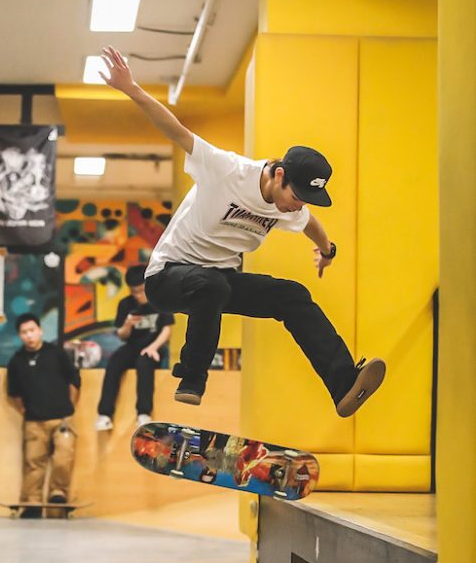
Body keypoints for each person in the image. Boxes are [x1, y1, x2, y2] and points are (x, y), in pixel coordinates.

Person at [97, 46, 386, 418]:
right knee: (211, 285)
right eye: (296, 197)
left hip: (216, 282)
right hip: (167, 278)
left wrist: (327, 251)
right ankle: (191, 377)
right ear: (278, 175)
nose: (297, 206)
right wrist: (131, 89)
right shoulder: (226, 170)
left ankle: (343, 381)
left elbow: (311, 224)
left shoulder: (288, 205)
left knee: (292, 295)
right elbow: (177, 131)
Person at [7, 313, 81, 519]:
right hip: (34, 422)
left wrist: (70, 406)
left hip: (62, 419)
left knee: (63, 458)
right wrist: (26, 412)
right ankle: (32, 503)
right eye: (24, 332)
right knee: (33, 464)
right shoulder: (16, 361)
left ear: (40, 331)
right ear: (20, 335)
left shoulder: (56, 353)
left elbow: (74, 380)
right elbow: (15, 394)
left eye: (32, 330)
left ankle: (58, 495)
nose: (29, 336)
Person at [95, 264, 174, 431]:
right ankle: (105, 414)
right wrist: (127, 324)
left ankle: (144, 414)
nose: (138, 295)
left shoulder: (160, 300)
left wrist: (153, 347)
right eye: (134, 292)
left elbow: (167, 329)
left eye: (141, 291)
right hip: (132, 346)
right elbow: (122, 336)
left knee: (144, 363)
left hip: (155, 346)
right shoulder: (125, 304)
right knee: (115, 361)